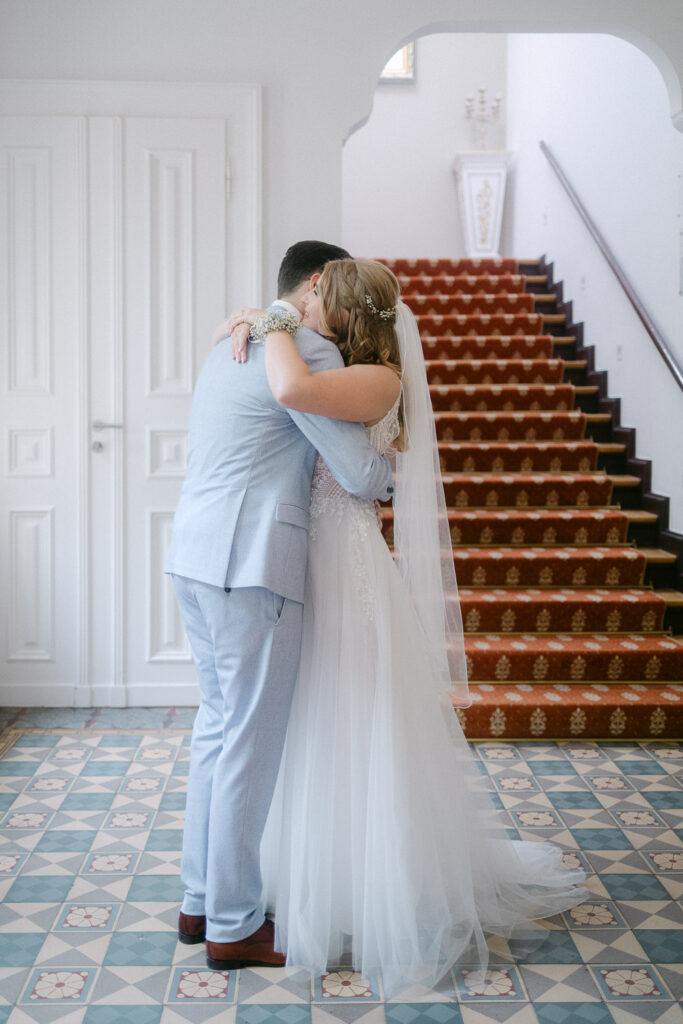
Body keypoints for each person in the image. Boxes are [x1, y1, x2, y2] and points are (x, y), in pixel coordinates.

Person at [224, 258, 588, 996]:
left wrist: (269, 319)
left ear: (342, 307)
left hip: (343, 559)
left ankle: (367, 884)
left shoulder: (377, 379)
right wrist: (261, 326)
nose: (307, 301)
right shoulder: (343, 367)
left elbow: (342, 455)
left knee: (352, 712)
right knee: (307, 714)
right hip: (308, 554)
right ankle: (300, 870)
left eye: (316, 295)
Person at [164, 242, 395, 972]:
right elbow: (361, 475)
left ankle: (200, 900)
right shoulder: (307, 350)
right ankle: (234, 925)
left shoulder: (234, 342)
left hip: (194, 553)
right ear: (321, 283)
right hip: (250, 564)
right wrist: (388, 458)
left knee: (217, 730)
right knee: (247, 746)